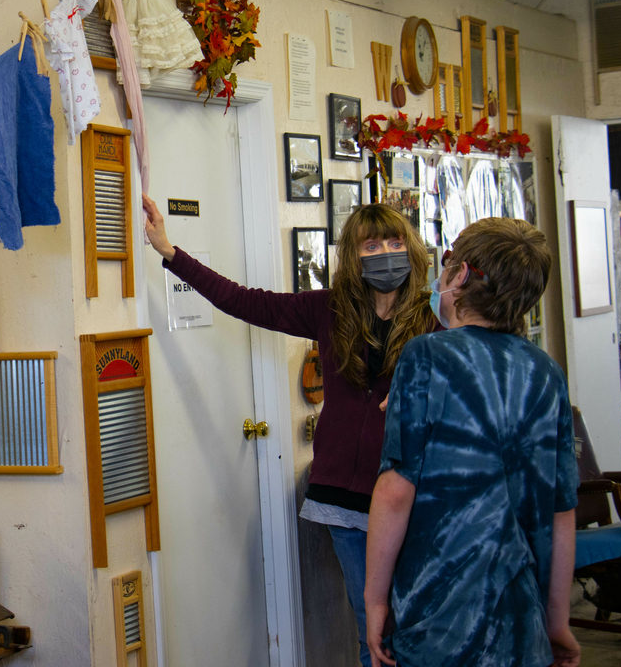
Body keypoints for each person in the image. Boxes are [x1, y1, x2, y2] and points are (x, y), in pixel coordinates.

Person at [142, 194, 435, 667]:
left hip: (409, 497)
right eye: (371, 244)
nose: (384, 252)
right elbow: (245, 302)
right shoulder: (330, 309)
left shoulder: (433, 317)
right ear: (353, 256)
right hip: (342, 496)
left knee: (416, 625)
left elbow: (467, 384)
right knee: (372, 631)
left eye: (394, 240)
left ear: (411, 247)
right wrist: (171, 253)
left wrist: (423, 395)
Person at [364, 217, 580, 667]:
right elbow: (562, 510)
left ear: (459, 275)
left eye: (446, 265)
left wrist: (375, 600)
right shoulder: (547, 373)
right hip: (523, 617)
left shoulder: (426, 355)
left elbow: (396, 490)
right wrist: (557, 620)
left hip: (439, 613)